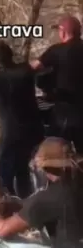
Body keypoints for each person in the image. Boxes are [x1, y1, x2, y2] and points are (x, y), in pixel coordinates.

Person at [0, 41, 43, 198]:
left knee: (6, 178)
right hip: (33, 130)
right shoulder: (25, 71)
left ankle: (9, 204)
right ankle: (28, 202)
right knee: (24, 173)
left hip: (9, 134)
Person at [31, 15, 83, 152]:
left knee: (58, 151)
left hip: (65, 111)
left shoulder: (56, 50)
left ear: (63, 32)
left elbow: (33, 68)